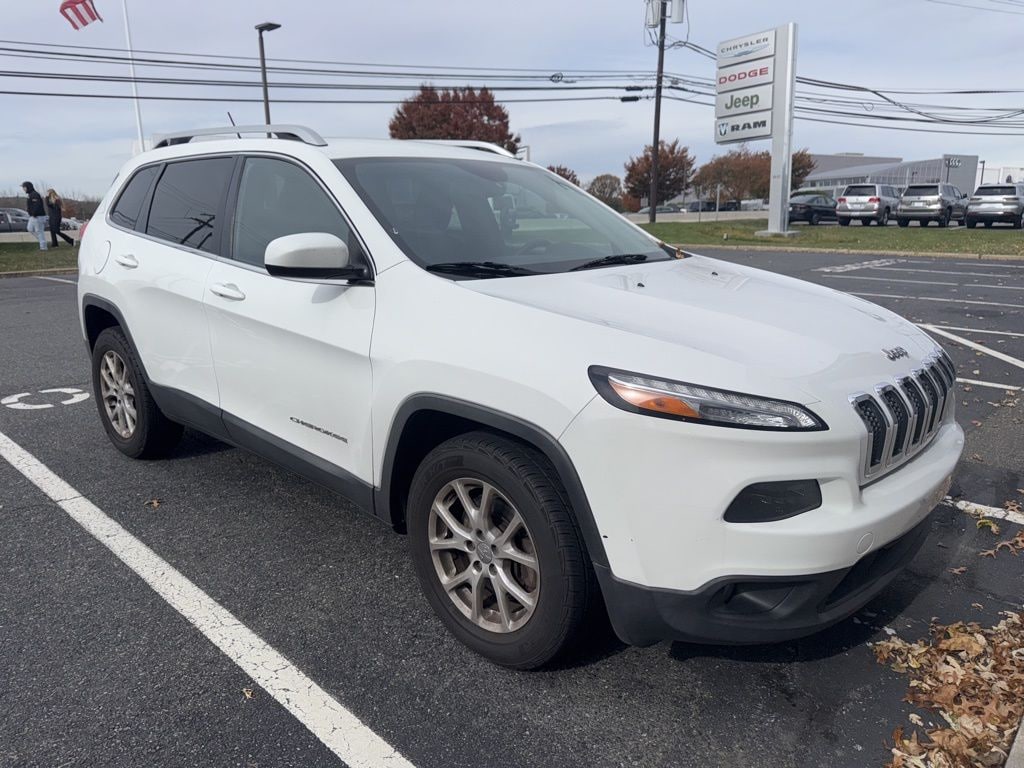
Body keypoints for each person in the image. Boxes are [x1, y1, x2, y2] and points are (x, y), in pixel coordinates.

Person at [21, 181, 48, 251]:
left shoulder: (34, 194)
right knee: (29, 229)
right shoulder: (30, 194)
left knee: (39, 231)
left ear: (27, 187)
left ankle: (43, 247)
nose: (23, 189)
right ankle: (43, 242)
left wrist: (34, 213)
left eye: (24, 187)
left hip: (38, 216)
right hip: (33, 216)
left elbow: (37, 205)